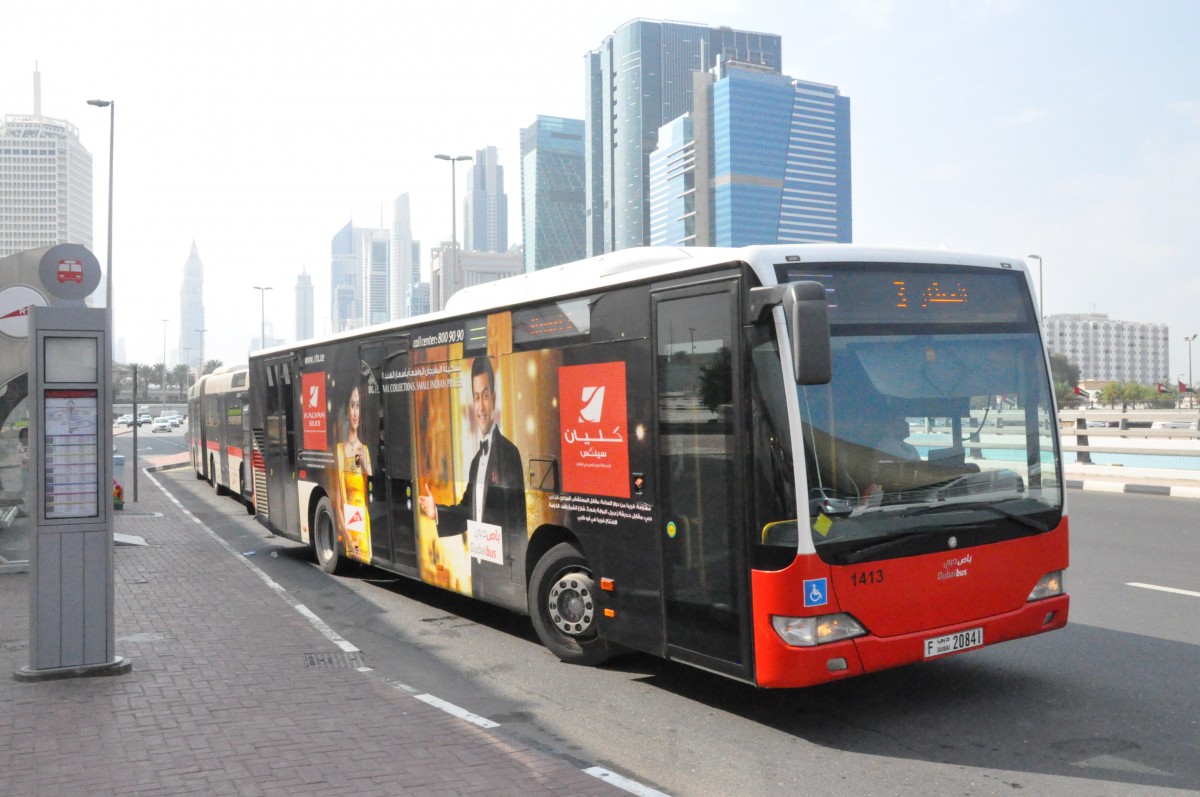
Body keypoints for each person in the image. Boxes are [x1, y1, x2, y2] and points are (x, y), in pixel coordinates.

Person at [418, 356, 526, 600]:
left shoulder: (509, 452)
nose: (481, 407)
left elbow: (518, 520)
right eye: (476, 397)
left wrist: (517, 572)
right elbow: (468, 510)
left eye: (485, 395)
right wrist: (438, 513)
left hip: (501, 569)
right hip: (478, 570)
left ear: (494, 398)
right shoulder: (477, 461)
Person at [335, 385, 372, 562]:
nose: (356, 412)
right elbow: (339, 503)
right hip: (351, 521)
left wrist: (365, 464)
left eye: (358, 405)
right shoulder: (340, 451)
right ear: (347, 412)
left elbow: (372, 490)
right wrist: (349, 539)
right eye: (352, 405)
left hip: (363, 520)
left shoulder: (364, 450)